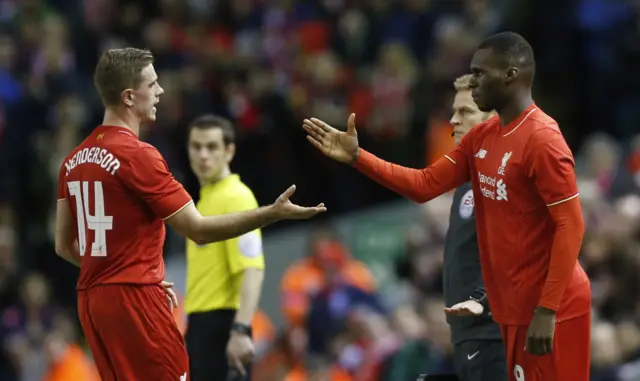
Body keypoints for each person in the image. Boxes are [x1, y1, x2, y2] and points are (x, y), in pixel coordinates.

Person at [303, 32, 590, 381]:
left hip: (552, 306)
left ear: (512, 76)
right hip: (512, 307)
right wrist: (358, 157)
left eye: (482, 73)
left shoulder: (543, 139)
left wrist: (547, 308)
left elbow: (571, 225)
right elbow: (423, 185)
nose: (475, 80)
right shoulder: (481, 139)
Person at [54, 48, 326, 381]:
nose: (160, 91)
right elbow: (197, 230)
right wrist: (273, 212)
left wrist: (118, 273)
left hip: (92, 302)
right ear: (129, 96)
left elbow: (64, 246)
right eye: (152, 84)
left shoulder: (73, 161)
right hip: (136, 302)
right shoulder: (138, 156)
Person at [183, 114, 265, 380]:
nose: (203, 155)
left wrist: (240, 330)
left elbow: (252, 269)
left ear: (229, 151)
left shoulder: (237, 198)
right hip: (200, 326)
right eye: (196, 147)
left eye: (212, 147)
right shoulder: (201, 205)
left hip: (224, 326)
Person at [444, 74, 506, 381]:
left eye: (465, 112)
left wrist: (481, 299)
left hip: (496, 335)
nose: (454, 120)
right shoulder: (469, 177)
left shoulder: (505, 173)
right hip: (470, 337)